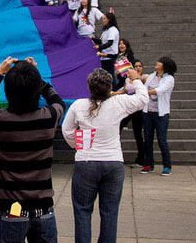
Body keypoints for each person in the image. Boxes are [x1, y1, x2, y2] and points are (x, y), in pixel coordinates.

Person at [0, 57, 66, 243]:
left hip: (11, 210)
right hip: (43, 209)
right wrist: (36, 77)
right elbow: (58, 101)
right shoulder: (49, 117)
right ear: (36, 91)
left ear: (9, 91)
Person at [62, 68, 148, 243]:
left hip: (86, 162)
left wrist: (80, 146)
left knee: (82, 211)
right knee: (109, 211)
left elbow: (67, 131)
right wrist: (136, 79)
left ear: (89, 87)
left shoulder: (79, 105)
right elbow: (143, 99)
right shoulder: (119, 102)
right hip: (113, 162)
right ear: (109, 87)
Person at [141, 57, 177, 176]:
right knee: (147, 139)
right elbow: (144, 84)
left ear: (164, 66)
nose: (157, 63)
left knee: (162, 140)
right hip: (148, 111)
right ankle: (148, 164)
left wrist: (144, 92)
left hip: (161, 114)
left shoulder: (169, 79)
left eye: (160, 62)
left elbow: (159, 90)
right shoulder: (151, 76)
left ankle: (167, 166)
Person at [116, 56, 146, 168]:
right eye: (136, 66)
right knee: (118, 126)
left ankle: (141, 158)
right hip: (128, 107)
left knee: (138, 133)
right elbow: (124, 90)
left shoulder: (144, 78)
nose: (138, 68)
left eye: (140, 66)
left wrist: (137, 79)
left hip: (139, 109)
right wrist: (113, 93)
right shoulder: (128, 79)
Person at [94, 13, 120, 87]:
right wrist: (92, 38)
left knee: (110, 75)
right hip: (104, 57)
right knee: (105, 75)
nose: (103, 20)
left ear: (109, 20)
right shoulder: (106, 30)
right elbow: (101, 41)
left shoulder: (113, 30)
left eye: (104, 18)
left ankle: (114, 89)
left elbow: (109, 43)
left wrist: (99, 47)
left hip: (110, 55)